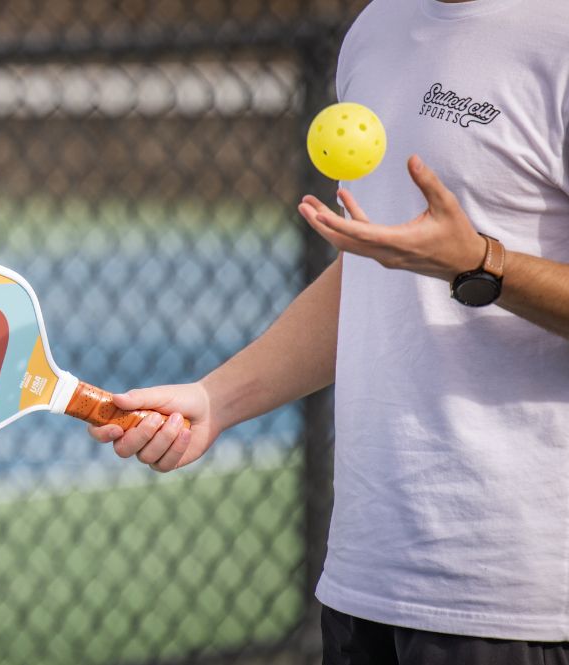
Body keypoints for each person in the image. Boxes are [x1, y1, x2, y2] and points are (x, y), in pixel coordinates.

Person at [88, 0, 569, 662]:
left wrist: (482, 264)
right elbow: (374, 279)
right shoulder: (376, 28)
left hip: (517, 601)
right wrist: (217, 398)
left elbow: (455, 261)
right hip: (363, 582)